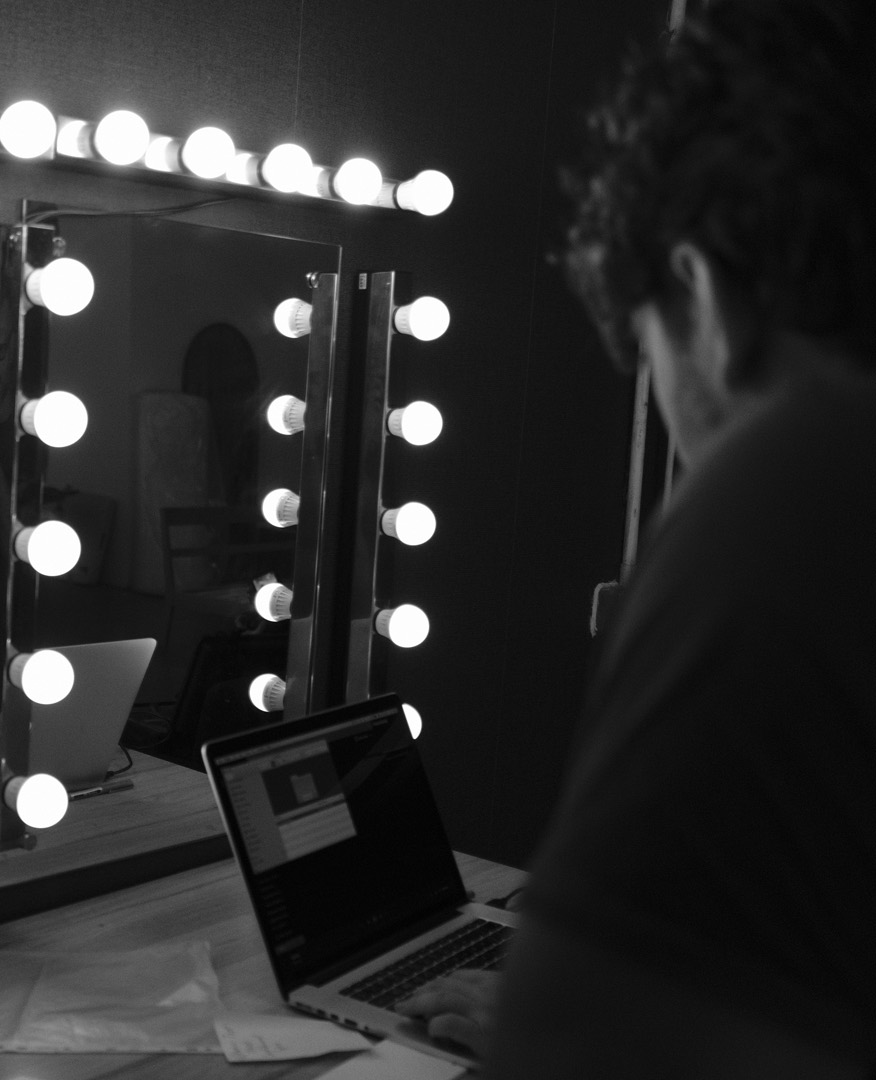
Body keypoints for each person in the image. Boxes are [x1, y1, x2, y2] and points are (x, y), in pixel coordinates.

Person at [396, 2, 876, 1075]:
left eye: (650, 352)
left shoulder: (792, 482)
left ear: (704, 298)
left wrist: (549, 1015)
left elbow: (577, 1058)